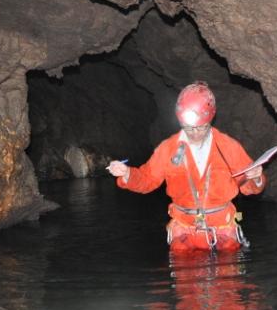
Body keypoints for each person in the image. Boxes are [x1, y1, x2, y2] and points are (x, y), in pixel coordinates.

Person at [106, 81, 266, 253]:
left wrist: (256, 178)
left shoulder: (228, 146)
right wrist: (128, 173)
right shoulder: (168, 148)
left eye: (201, 128)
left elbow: (248, 186)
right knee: (184, 275)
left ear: (210, 120)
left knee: (229, 277)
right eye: (189, 128)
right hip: (184, 229)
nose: (195, 133)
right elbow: (147, 179)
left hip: (222, 228)